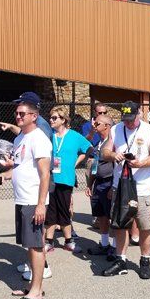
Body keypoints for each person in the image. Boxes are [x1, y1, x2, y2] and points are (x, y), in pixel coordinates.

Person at [0, 94, 51, 299]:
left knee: (36, 245)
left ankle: (36, 292)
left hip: (32, 200)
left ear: (34, 116)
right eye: (16, 113)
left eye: (22, 113)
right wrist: (5, 174)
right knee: (29, 245)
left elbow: (45, 174)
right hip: (21, 199)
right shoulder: (20, 139)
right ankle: (34, 286)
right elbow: (20, 167)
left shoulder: (39, 138)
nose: (17, 116)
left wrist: (40, 205)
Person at [101, 100, 150, 279]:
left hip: (143, 188)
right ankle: (121, 261)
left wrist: (141, 163)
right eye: (125, 119)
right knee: (120, 226)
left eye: (131, 119)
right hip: (120, 187)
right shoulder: (115, 129)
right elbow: (104, 151)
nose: (128, 123)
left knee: (144, 227)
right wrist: (113, 155)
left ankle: (145, 261)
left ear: (139, 114)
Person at [45, 105, 92, 253]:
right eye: (50, 117)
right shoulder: (48, 135)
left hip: (66, 178)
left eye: (54, 118)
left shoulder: (74, 136)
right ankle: (49, 241)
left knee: (64, 209)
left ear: (63, 120)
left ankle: (68, 240)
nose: (51, 120)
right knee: (50, 210)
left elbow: (88, 149)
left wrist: (75, 163)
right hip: (50, 177)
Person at [85, 114, 116, 258]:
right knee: (101, 215)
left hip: (109, 183)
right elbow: (95, 165)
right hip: (98, 183)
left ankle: (116, 247)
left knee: (112, 216)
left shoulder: (113, 143)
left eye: (97, 124)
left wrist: (113, 187)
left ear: (107, 126)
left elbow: (118, 166)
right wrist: (90, 184)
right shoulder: (99, 142)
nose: (94, 126)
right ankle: (104, 244)